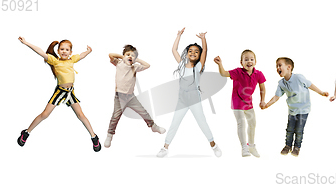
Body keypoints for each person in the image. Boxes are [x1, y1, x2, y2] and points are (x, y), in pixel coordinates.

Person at [16, 36, 101, 152]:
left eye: (67, 50)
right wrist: (26, 43)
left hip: (70, 92)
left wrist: (89, 51)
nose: (64, 51)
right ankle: (26, 133)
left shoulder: (72, 60)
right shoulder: (55, 61)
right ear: (58, 51)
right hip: (60, 92)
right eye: (62, 49)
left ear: (70, 52)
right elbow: (40, 52)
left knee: (81, 115)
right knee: (45, 114)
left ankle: (94, 137)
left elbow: (81, 55)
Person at [156, 28, 221, 158]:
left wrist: (203, 39)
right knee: (175, 123)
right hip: (182, 99)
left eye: (196, 52)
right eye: (190, 51)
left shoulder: (198, 67)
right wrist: (178, 35)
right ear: (186, 54)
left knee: (202, 122)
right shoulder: (181, 64)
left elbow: (205, 52)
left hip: (194, 99)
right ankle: (165, 147)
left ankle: (214, 145)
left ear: (198, 56)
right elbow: (173, 50)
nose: (193, 53)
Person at [263, 57, 328, 157]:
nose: (277, 68)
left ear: (289, 67)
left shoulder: (298, 77)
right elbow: (277, 96)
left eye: (280, 65)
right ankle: (287, 145)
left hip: (304, 108)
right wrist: (267, 104)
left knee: (299, 129)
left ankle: (297, 147)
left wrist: (321, 92)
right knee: (290, 129)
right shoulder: (281, 83)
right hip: (292, 110)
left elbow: (310, 85)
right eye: (276, 66)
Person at [104, 45, 166, 148]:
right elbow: (110, 55)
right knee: (115, 117)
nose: (130, 57)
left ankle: (153, 126)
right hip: (120, 97)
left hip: (131, 97)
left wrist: (136, 59)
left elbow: (147, 65)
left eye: (132, 56)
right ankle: (109, 135)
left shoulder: (135, 66)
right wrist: (123, 56)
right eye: (128, 55)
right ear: (123, 56)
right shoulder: (119, 63)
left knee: (143, 112)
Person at [213, 49, 266, 157]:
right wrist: (220, 64)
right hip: (237, 103)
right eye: (246, 59)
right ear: (241, 62)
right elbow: (224, 74)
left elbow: (262, 87)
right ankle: (244, 147)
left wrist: (262, 100)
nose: (249, 61)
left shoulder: (258, 74)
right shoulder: (238, 72)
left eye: (251, 59)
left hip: (249, 104)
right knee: (241, 123)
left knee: (252, 124)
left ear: (255, 62)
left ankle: (251, 146)